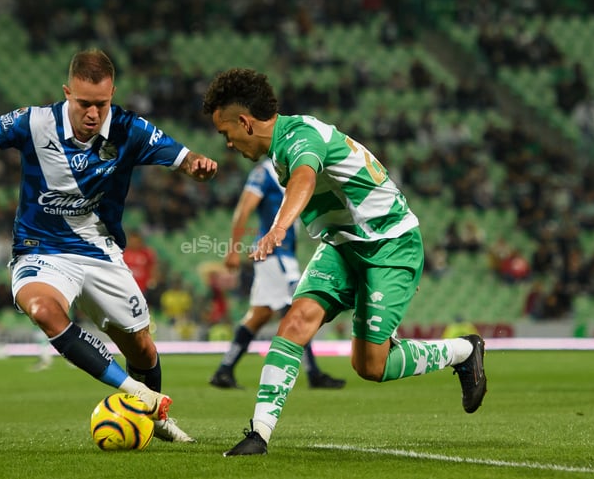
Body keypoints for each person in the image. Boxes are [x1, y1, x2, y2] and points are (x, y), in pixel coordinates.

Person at [0, 49, 217, 443]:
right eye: (83, 104)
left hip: (100, 249)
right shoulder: (35, 122)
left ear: (112, 95)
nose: (93, 113)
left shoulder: (130, 129)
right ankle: (140, 395)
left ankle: (157, 418)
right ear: (66, 94)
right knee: (44, 309)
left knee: (142, 349)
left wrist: (197, 165)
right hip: (40, 250)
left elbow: (184, 156)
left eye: (102, 104)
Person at [202, 68, 487, 456]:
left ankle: (463, 352)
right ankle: (260, 434)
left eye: (226, 133)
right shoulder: (283, 144)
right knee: (295, 321)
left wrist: (278, 227)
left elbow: (304, 178)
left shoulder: (298, 138)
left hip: (390, 245)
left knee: (371, 365)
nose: (228, 143)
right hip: (341, 246)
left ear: (245, 123)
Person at [209, 158, 346, 390]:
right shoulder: (265, 172)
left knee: (259, 315)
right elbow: (244, 209)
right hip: (275, 255)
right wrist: (233, 249)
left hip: (279, 255)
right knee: (300, 308)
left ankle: (224, 370)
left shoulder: (293, 171)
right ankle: (314, 373)